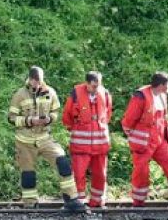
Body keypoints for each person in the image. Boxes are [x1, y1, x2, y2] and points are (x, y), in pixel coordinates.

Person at [7, 66, 86, 212]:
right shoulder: (20, 94)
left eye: (41, 81)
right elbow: (11, 118)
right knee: (28, 174)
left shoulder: (50, 92)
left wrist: (49, 119)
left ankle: (71, 199)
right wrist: (30, 121)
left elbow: (55, 112)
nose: (39, 84)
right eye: (36, 81)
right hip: (25, 141)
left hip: (45, 138)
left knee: (62, 162)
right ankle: (30, 204)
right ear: (30, 80)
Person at [121, 71, 168, 208]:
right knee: (141, 171)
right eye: (167, 85)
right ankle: (138, 202)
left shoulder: (162, 95)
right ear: (161, 85)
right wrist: (133, 137)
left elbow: (163, 119)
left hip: (159, 139)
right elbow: (128, 120)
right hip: (144, 141)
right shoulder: (141, 96)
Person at [61, 71, 113, 208]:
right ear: (87, 84)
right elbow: (67, 115)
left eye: (99, 85)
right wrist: (77, 127)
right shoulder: (76, 93)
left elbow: (108, 114)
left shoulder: (105, 93)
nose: (97, 89)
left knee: (100, 174)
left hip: (100, 143)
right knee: (79, 174)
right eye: (94, 86)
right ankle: (79, 202)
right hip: (80, 144)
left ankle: (98, 200)